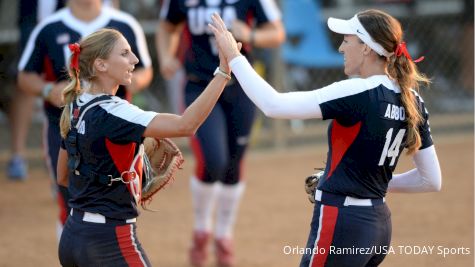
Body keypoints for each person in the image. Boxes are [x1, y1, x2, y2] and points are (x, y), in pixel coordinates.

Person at [209, 10, 442, 267]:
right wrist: (363, 182)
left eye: (347, 40)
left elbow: (274, 105)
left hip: (343, 222)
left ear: (366, 47)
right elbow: (431, 180)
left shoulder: (358, 90)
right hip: (379, 224)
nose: (342, 47)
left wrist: (234, 57)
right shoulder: (412, 98)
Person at [56, 27, 233, 267]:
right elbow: (186, 125)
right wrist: (223, 72)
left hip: (73, 237)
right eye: (125, 53)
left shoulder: (76, 106)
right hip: (110, 241)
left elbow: (64, 176)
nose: (135, 60)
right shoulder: (115, 111)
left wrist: (117, 179)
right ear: (101, 65)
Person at [156, 2, 285, 266]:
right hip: (200, 85)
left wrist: (250, 35)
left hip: (242, 85)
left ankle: (224, 235)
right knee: (214, 160)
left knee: (234, 163)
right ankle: (202, 230)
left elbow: (277, 33)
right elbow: (166, 27)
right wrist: (166, 56)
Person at [17, 0, 153, 239]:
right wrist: (49, 90)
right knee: (69, 199)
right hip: (66, 126)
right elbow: (25, 76)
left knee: (114, 200)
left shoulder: (124, 24)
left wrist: (122, 83)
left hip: (114, 128)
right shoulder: (49, 27)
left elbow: (145, 70)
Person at [7, 0, 67, 181]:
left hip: (70, 15)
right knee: (26, 81)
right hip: (33, 18)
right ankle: (18, 155)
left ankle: (64, 160)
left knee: (68, 83)